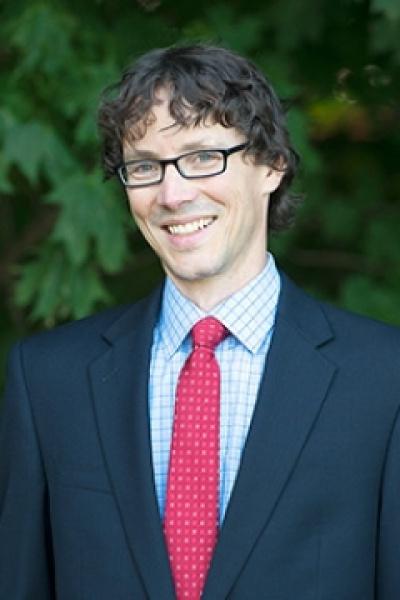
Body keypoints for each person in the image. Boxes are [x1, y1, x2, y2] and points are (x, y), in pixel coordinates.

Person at [0, 44, 399, 600]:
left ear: (272, 164)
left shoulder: (385, 379)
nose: (173, 193)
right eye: (144, 167)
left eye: (203, 156)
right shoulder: (48, 379)